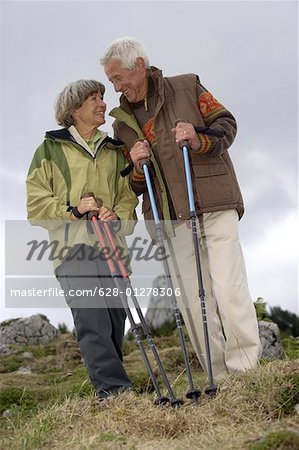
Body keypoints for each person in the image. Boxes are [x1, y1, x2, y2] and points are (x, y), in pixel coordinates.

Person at [100, 37, 262, 381]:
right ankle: (218, 378)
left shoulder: (187, 86)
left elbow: (226, 124)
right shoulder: (122, 123)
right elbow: (134, 184)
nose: (116, 86)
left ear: (140, 66)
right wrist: (138, 165)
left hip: (213, 203)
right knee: (193, 302)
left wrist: (198, 137)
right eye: (112, 81)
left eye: (120, 77)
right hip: (170, 218)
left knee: (229, 289)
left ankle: (246, 373)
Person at [26, 79, 138, 400]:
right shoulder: (49, 149)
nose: (102, 103)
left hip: (113, 248)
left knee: (116, 322)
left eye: (102, 97)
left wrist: (117, 215)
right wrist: (74, 210)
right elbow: (36, 206)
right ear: (75, 109)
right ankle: (115, 393)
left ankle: (113, 390)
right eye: (94, 98)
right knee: (94, 321)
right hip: (72, 250)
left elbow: (127, 198)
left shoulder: (115, 150)